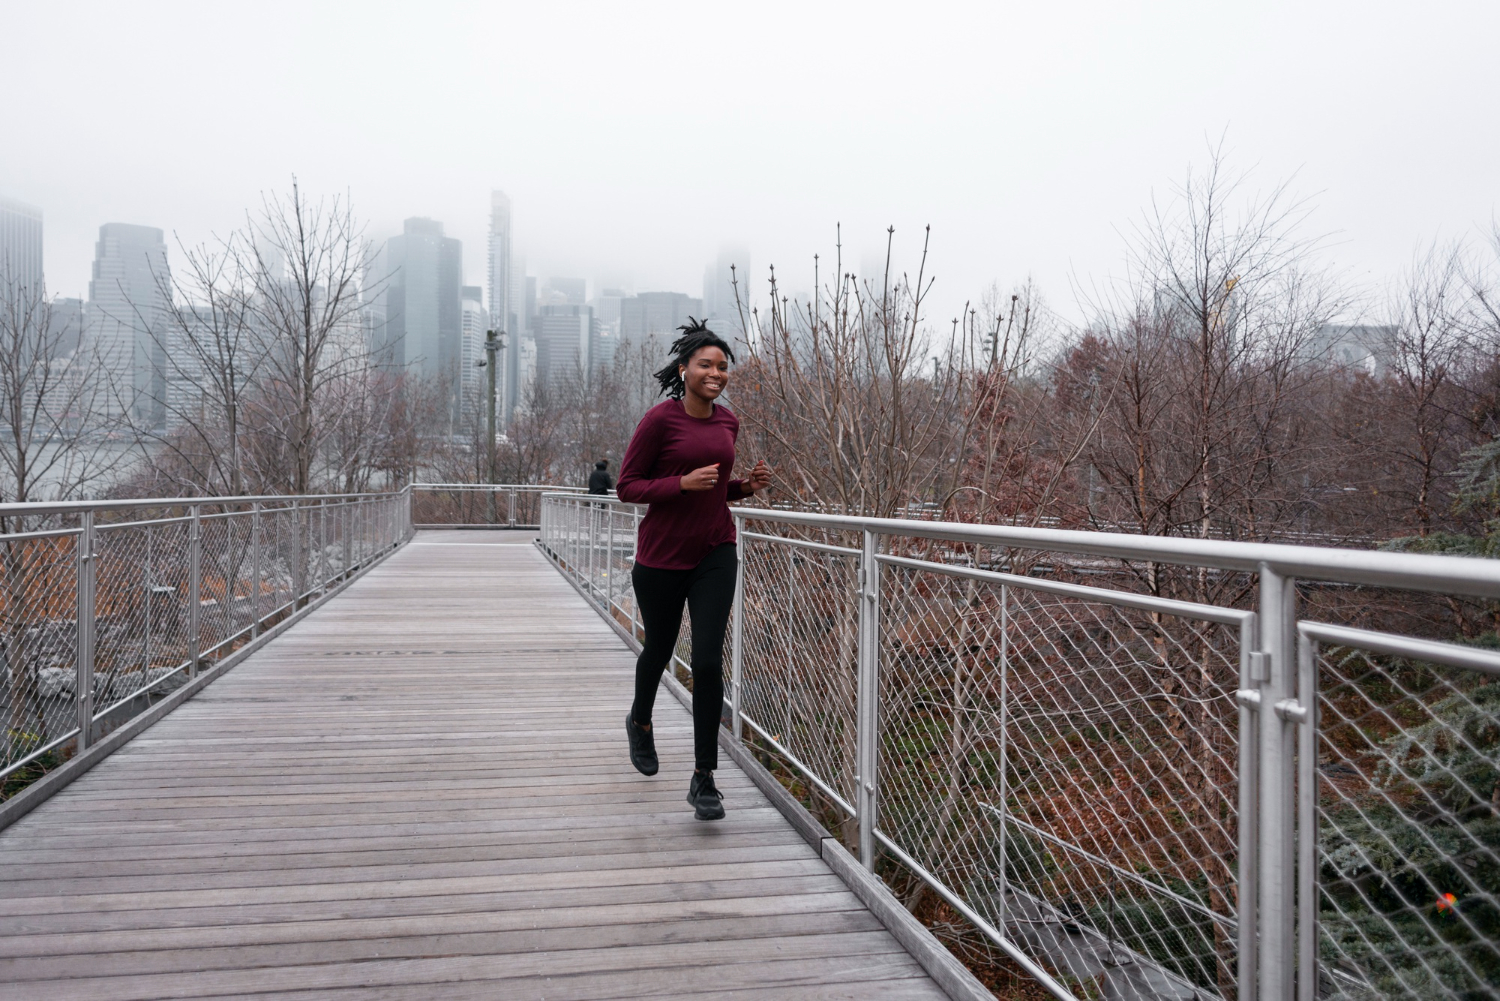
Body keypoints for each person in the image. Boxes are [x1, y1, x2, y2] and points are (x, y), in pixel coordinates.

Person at [616, 318, 772, 820]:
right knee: (659, 649)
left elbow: (716, 487)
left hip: (714, 551)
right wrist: (679, 485)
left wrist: (744, 488)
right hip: (660, 557)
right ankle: (640, 722)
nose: (716, 372)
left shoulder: (728, 422)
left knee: (707, 660)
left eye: (723, 366)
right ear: (683, 369)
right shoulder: (659, 421)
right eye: (706, 364)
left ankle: (705, 778)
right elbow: (628, 486)